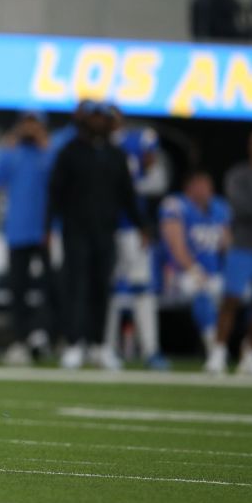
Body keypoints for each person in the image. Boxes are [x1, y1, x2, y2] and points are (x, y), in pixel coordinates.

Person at [47, 100, 142, 370]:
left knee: (102, 288)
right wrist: (48, 228)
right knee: (75, 288)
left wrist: (142, 225)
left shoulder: (116, 154)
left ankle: (100, 345)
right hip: (75, 230)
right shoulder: (70, 151)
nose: (99, 122)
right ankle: (75, 344)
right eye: (95, 117)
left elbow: (127, 194)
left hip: (105, 232)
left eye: (103, 117)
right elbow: (55, 193)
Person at [0, 111, 53, 365]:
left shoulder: (49, 153)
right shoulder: (12, 153)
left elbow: (59, 181)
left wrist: (45, 145)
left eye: (34, 124)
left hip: (46, 233)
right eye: (26, 124)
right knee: (18, 291)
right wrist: (6, 149)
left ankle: (42, 336)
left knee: (50, 289)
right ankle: (21, 340)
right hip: (17, 233)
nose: (29, 129)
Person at [106, 109, 168, 368]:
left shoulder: (137, 140)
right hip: (106, 227)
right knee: (108, 291)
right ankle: (104, 348)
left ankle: (150, 348)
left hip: (131, 227)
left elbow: (156, 179)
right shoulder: (92, 145)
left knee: (142, 288)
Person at [159, 172, 231, 374]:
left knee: (246, 291)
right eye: (200, 185)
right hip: (180, 273)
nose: (206, 190)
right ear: (189, 187)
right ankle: (215, 349)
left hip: (215, 273)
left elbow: (228, 245)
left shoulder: (219, 207)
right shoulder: (176, 205)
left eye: (208, 185)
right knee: (202, 291)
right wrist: (195, 270)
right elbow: (176, 246)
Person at [216, 128, 252, 376]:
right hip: (243, 246)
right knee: (231, 301)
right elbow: (242, 207)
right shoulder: (239, 175)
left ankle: (251, 351)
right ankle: (218, 351)